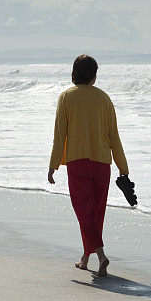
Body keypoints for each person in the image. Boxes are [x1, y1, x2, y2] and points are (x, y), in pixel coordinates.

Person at [48, 54, 129, 277]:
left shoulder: (66, 97)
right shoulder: (104, 98)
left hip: (77, 163)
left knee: (85, 213)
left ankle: (100, 255)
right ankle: (85, 258)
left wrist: (53, 165)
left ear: (74, 73)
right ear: (94, 76)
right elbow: (114, 136)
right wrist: (123, 168)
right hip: (103, 163)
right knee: (96, 213)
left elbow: (59, 135)